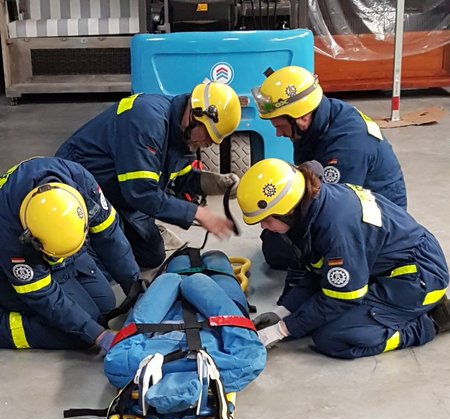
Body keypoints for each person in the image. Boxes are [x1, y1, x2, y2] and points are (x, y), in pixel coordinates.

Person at [236, 158, 450, 359]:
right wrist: (283, 312)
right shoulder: (315, 209)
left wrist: (282, 330)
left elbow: (341, 297)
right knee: (310, 318)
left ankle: (430, 322)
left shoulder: (336, 230)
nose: (263, 226)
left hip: (417, 278)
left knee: (334, 337)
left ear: (288, 210)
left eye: (267, 220)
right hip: (386, 267)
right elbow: (317, 272)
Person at [55, 81, 242, 268]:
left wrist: (216, 184)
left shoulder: (180, 134)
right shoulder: (147, 121)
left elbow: (179, 178)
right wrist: (198, 213)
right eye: (209, 134)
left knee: (152, 255)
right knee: (106, 264)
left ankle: (117, 234)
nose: (209, 143)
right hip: (80, 188)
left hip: (118, 191)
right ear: (195, 115)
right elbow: (141, 191)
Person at [252, 66, 407, 270]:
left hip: (379, 224)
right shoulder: (320, 120)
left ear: (302, 117)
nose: (278, 134)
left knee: (278, 247)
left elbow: (332, 207)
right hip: (360, 200)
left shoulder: (347, 146)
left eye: (281, 127)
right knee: (276, 231)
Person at [0, 156, 142, 351]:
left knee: (104, 303)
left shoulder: (80, 181)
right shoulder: (8, 232)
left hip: (58, 257)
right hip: (7, 272)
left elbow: (111, 239)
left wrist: (136, 289)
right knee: (79, 335)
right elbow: (41, 294)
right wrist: (97, 335)